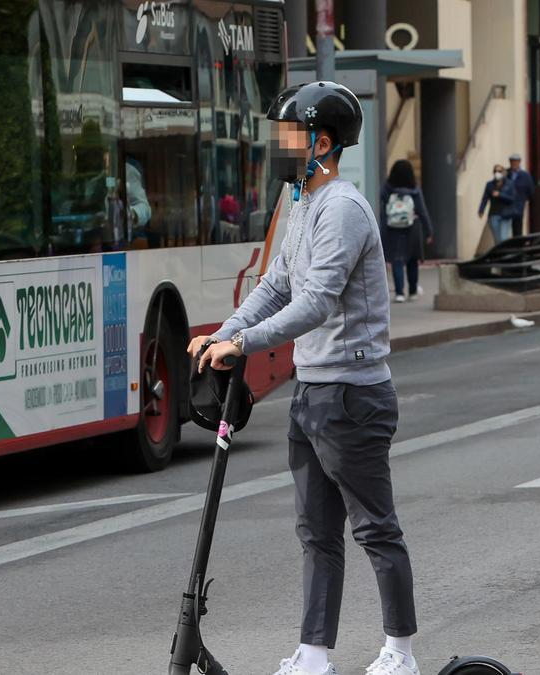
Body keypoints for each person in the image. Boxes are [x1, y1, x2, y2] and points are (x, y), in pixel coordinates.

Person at [188, 81, 419, 675]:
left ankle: (400, 651)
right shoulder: (302, 205)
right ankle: (314, 654)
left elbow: (315, 302)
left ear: (321, 142)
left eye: (287, 138)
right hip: (313, 389)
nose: (277, 149)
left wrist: (244, 343)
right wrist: (225, 334)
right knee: (317, 533)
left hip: (354, 392)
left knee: (374, 529)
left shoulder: (342, 209)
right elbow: (276, 286)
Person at [380, 159, 433, 303]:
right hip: (413, 227)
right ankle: (413, 291)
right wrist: (429, 231)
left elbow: (383, 209)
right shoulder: (415, 189)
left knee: (397, 259)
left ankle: (399, 293)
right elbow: (422, 211)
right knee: (412, 260)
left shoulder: (387, 188)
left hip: (393, 228)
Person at [478, 164, 515, 244]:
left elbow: (512, 199)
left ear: (503, 173)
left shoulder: (509, 184)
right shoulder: (489, 185)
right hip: (494, 215)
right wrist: (481, 210)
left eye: (499, 171)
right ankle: (500, 255)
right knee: (498, 239)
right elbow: (485, 198)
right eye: (495, 171)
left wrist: (500, 195)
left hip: (506, 215)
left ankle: (505, 255)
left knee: (503, 238)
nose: (497, 173)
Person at [505, 152, 535, 237]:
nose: (513, 163)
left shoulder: (525, 175)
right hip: (506, 205)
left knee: (517, 227)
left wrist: (525, 199)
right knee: (505, 227)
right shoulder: (506, 174)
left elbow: (531, 190)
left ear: (519, 162)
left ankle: (518, 246)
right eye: (512, 161)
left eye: (515, 161)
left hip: (519, 205)